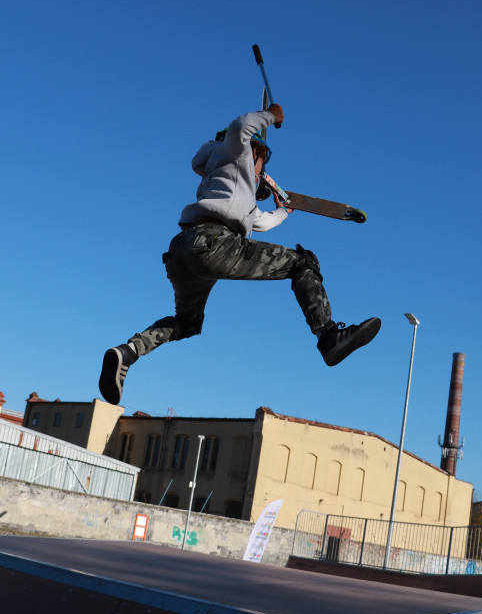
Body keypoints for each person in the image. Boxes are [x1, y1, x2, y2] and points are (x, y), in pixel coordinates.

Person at [99, 104, 380, 404]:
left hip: (182, 253)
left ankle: (127, 353)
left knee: (188, 323)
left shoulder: (222, 180)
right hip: (215, 245)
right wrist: (272, 115)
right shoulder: (236, 151)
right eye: (263, 164)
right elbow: (240, 127)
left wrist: (284, 211)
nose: (262, 173)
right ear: (255, 151)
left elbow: (260, 221)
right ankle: (327, 336)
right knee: (302, 262)